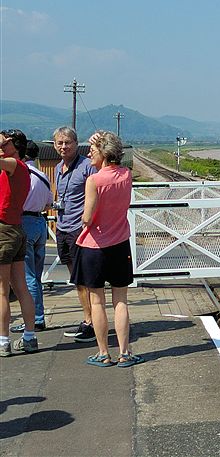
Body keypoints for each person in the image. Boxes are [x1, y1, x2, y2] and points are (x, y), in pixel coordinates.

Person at [74, 130, 142, 367]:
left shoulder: (94, 180)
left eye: (92, 151)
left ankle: (104, 353)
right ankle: (125, 353)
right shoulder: (127, 175)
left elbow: (87, 218)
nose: (89, 154)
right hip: (120, 244)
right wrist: (100, 139)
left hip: (94, 247)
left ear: (102, 153)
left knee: (97, 302)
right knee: (120, 300)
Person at [53, 126, 98, 342]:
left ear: (76, 143)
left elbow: (98, 194)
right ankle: (87, 319)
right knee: (76, 279)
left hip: (79, 230)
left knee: (86, 279)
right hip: (62, 228)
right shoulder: (58, 167)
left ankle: (92, 323)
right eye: (59, 143)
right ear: (54, 145)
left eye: (67, 142)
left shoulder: (87, 166)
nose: (64, 146)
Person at [0, 129, 39, 356]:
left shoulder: (14, 166)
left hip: (4, 230)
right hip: (16, 229)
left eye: (6, 143)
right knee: (21, 287)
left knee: (2, 291)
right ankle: (29, 337)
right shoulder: (21, 169)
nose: (2, 146)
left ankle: (3, 340)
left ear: (16, 145)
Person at [11, 140, 51, 333]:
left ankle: (34, 319)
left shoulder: (20, 174)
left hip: (24, 222)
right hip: (41, 223)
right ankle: (38, 316)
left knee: (28, 277)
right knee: (36, 275)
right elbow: (49, 203)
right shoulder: (43, 176)